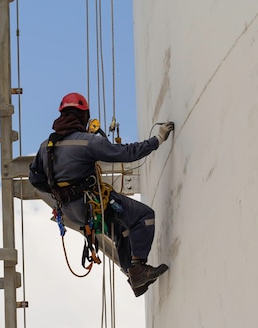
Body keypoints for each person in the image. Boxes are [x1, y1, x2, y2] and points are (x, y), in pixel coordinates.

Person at [29, 92, 174, 297]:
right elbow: (125, 153)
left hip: (72, 212)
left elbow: (35, 179)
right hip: (92, 204)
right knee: (143, 216)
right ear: (83, 116)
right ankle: (138, 268)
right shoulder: (87, 142)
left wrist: (60, 192)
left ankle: (135, 277)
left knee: (121, 232)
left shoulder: (45, 147)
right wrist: (157, 140)